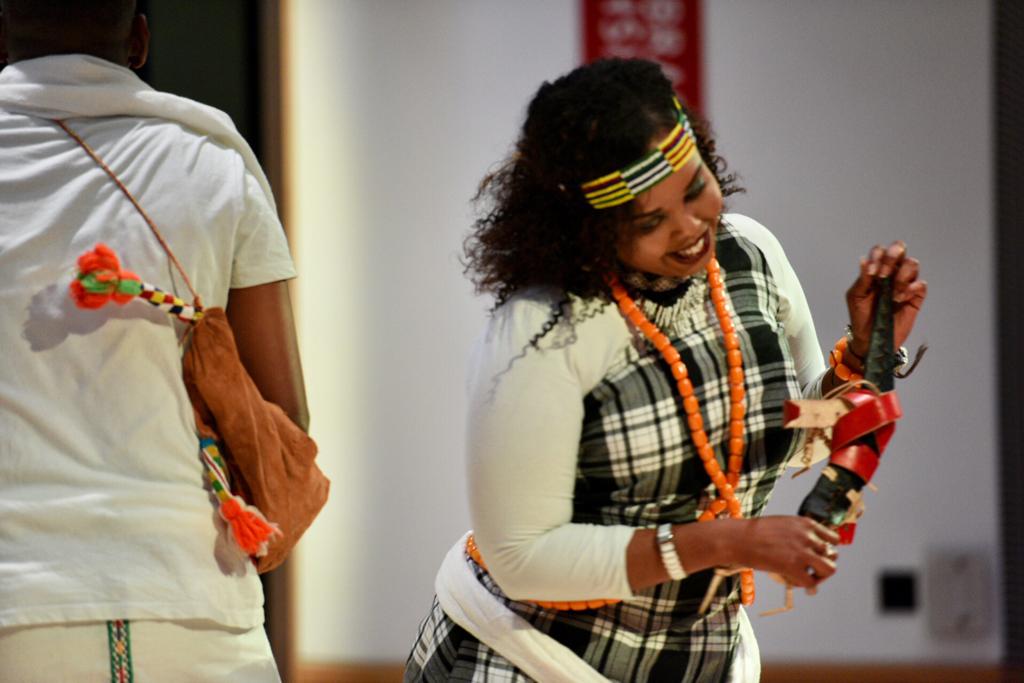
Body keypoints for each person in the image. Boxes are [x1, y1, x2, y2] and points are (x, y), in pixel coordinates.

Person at [405, 58, 926, 682]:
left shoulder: (749, 254)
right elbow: (521, 557)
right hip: (528, 656)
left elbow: (788, 435)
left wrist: (870, 352)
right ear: (589, 230)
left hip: (695, 659)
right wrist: (731, 542)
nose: (688, 228)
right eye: (649, 221)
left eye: (694, 188)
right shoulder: (545, 327)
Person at [0, 1, 307, 680]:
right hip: (193, 593)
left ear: (0, 37)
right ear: (138, 40)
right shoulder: (212, 156)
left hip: (15, 600)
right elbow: (285, 410)